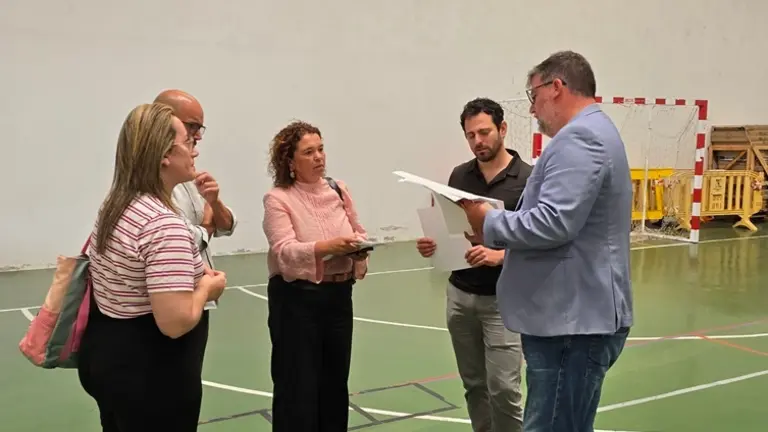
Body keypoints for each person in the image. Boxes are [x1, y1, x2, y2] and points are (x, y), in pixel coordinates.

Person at [460, 50, 634, 431]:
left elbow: (554, 223)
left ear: (556, 88)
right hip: (576, 318)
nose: (533, 109)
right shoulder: (597, 131)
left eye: (533, 96)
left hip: (571, 323)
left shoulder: (580, 138)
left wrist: (488, 221)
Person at [77, 102, 228, 431]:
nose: (194, 152)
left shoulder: (117, 203)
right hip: (150, 377)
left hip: (109, 358)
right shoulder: (163, 225)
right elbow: (174, 322)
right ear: (164, 155)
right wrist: (206, 288)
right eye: (187, 143)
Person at [416, 98, 529, 432]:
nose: (478, 141)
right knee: (474, 385)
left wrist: (500, 256)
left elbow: (540, 243)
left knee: (505, 389)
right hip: (460, 298)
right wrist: (432, 244)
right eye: (470, 135)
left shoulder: (528, 179)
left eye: (484, 132)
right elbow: (451, 229)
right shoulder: (458, 176)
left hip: (504, 303)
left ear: (502, 129)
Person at [262, 120, 369, 432]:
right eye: (309, 152)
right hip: (296, 301)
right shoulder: (278, 199)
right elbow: (284, 251)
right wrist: (326, 247)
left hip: (338, 297)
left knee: (335, 382)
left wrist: (358, 247)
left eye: (321, 149)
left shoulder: (339, 189)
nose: (319, 157)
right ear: (290, 161)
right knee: (297, 386)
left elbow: (357, 230)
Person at [153, 89, 238, 368]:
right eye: (192, 127)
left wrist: (214, 203)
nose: (197, 136)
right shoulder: (152, 184)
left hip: (193, 304)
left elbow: (225, 225)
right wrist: (204, 227)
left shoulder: (188, 175)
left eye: (200, 127)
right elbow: (181, 237)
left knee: (186, 385)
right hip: (171, 307)